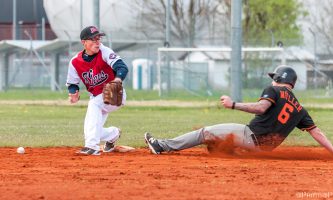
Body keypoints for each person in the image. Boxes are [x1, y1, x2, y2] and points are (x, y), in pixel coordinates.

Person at [145, 65, 333, 156]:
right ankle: (226, 150)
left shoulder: (274, 90)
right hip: (264, 150)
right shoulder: (300, 109)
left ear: (278, 78)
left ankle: (162, 145)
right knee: (217, 144)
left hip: (249, 136)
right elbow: (318, 133)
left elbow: (260, 108)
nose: (271, 81)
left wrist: (233, 104)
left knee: (205, 132)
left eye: (273, 78)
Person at [66, 26, 128, 155]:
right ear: (84, 42)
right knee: (91, 130)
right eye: (93, 39)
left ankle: (92, 147)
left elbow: (122, 67)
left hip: (115, 93)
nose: (97, 42)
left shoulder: (104, 52)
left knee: (93, 106)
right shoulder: (75, 62)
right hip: (96, 97)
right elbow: (72, 83)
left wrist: (117, 79)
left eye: (98, 39)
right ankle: (113, 134)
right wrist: (73, 93)